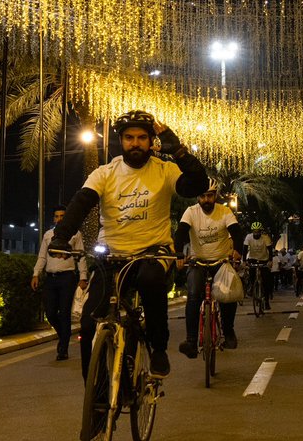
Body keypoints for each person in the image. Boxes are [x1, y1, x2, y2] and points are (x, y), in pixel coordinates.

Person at [49, 110, 208, 380]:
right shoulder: (105, 173)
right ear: (120, 141)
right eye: (129, 138)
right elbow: (80, 204)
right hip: (111, 256)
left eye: (142, 138)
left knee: (149, 280)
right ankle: (97, 402)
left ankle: (158, 349)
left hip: (152, 253)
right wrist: (60, 237)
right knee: (88, 327)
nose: (135, 143)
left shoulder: (165, 170)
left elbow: (198, 184)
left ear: (151, 141)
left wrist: (177, 149)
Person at [175, 182, 245, 354]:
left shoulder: (224, 211)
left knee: (227, 296)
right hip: (198, 262)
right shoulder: (191, 212)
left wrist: (237, 250)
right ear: (198, 197)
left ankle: (228, 331)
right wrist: (178, 254)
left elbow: (236, 232)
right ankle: (191, 340)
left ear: (215, 196)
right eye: (203, 196)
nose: (206, 199)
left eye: (210, 195)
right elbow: (181, 232)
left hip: (220, 262)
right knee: (192, 296)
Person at [32, 205, 89, 360]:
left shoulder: (75, 234)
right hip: (50, 278)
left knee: (64, 313)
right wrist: (36, 274)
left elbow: (81, 256)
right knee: (50, 313)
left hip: (67, 278)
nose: (59, 219)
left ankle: (63, 349)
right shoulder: (48, 235)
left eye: (62, 216)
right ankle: (63, 335)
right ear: (53, 218)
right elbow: (42, 256)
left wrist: (83, 277)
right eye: (56, 216)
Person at [243, 222, 273, 309]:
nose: (256, 233)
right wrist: (244, 261)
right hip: (252, 259)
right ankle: (253, 287)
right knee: (252, 276)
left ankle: (266, 301)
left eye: (258, 232)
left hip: (264, 260)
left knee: (266, 282)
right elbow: (244, 250)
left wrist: (270, 261)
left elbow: (270, 250)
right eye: (254, 232)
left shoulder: (265, 238)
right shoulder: (248, 237)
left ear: (261, 231)